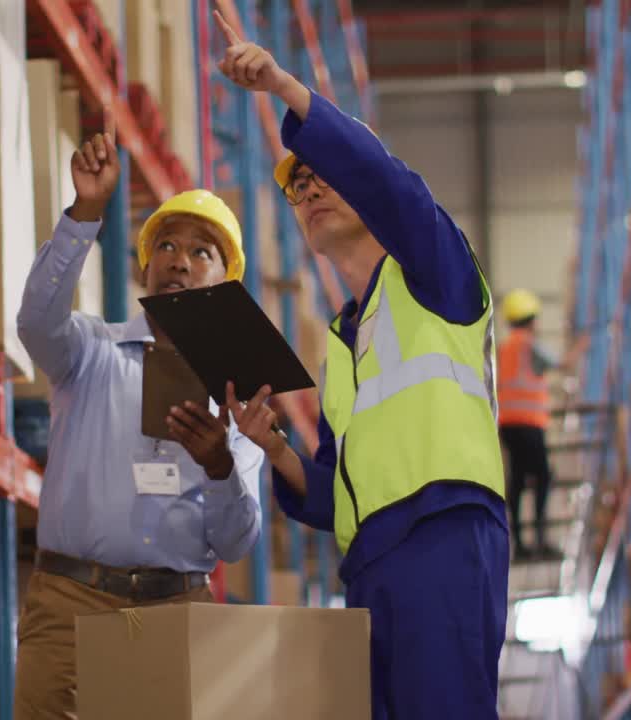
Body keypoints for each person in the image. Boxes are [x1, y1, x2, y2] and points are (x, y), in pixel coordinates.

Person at [212, 11, 509, 719]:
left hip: (444, 533)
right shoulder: (340, 346)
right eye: (298, 187)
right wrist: (274, 449)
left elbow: (393, 186)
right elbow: (331, 496)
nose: (309, 191)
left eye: (323, 177)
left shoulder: (435, 274)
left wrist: (285, 88)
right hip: (371, 562)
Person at [13, 110, 267, 720]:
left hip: (176, 611)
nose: (179, 261)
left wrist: (219, 467)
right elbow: (35, 322)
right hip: (70, 606)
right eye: (168, 247)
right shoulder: (88, 353)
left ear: (225, 283)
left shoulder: (238, 403)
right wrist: (85, 213)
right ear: (146, 267)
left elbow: (236, 543)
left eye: (201, 252)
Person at [497, 289, 561, 561]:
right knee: (543, 477)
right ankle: (540, 539)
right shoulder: (529, 346)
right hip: (529, 423)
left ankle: (520, 544)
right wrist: (582, 345)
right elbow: (559, 362)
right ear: (532, 319)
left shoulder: (503, 348)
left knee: (518, 481)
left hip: (507, 424)